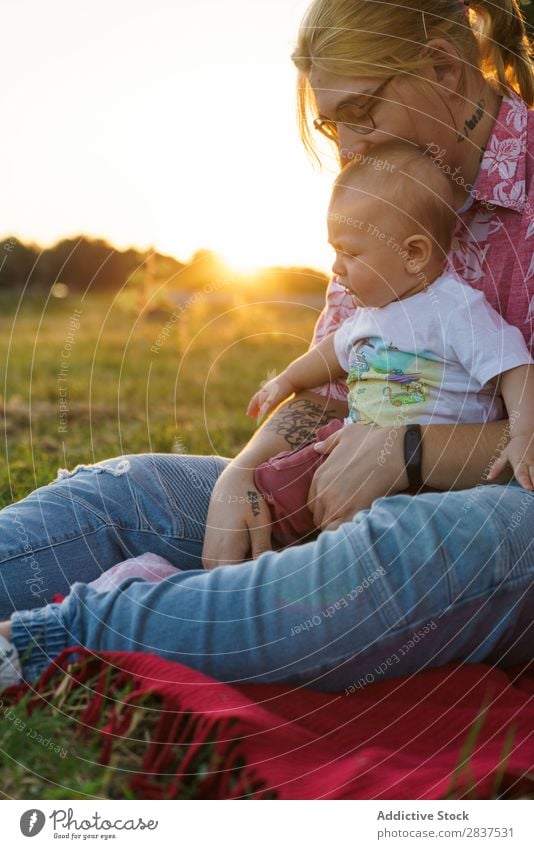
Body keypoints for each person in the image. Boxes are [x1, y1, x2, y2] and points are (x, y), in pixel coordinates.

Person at [1, 0, 534, 694]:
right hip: (339, 485)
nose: (349, 147)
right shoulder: (374, 202)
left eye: (363, 110)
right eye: (331, 123)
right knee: (124, 495)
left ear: (443, 66)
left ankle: (57, 641)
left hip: (499, 522)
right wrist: (242, 473)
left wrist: (410, 450)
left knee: (393, 548)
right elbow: (326, 388)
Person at [248, 141, 534, 546]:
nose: (335, 266)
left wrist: (524, 432)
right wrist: (287, 381)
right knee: (277, 484)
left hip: (428, 483)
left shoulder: (454, 310)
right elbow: (330, 353)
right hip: (349, 450)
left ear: (413, 254)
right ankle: (271, 553)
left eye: (349, 252)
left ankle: (312, 565)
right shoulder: (368, 314)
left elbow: (513, 365)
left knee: (373, 536)